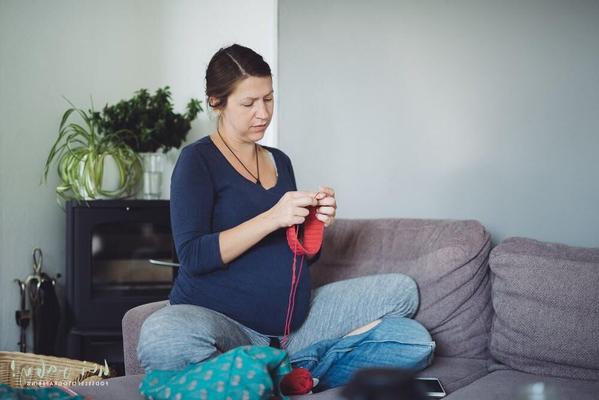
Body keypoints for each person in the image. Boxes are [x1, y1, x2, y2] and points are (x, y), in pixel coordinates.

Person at [137, 44, 434, 389]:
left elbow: (296, 259)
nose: (262, 113)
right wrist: (272, 217)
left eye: (268, 99)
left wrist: (313, 226)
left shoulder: (280, 160)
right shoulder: (197, 161)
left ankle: (279, 374)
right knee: (161, 335)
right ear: (217, 103)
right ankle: (282, 371)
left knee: (412, 330)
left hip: (296, 326)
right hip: (225, 323)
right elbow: (193, 255)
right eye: (248, 103)